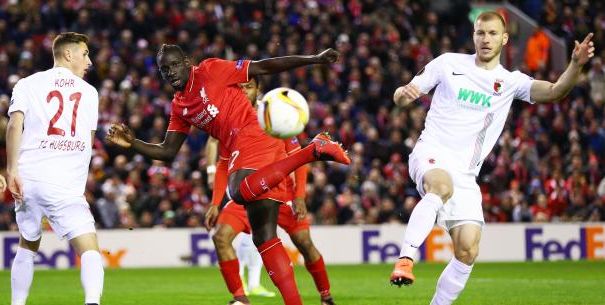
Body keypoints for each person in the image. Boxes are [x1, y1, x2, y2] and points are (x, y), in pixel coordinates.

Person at [106, 44, 350, 305]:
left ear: (187, 62)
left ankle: (312, 150)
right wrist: (133, 143)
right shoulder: (179, 106)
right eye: (164, 69)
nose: (170, 72)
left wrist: (313, 58)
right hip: (238, 150)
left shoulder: (211, 69)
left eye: (174, 65)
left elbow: (264, 66)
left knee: (238, 191)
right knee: (264, 237)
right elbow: (167, 151)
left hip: (255, 133)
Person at [389, 12, 594, 305]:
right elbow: (402, 94)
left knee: (467, 251)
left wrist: (575, 64)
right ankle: (406, 258)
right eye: (480, 33)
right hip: (431, 152)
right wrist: (403, 95)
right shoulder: (448, 63)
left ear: (504, 38)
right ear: (473, 36)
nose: (485, 39)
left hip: (466, 174)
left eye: (492, 34)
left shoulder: (509, 81)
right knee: (441, 186)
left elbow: (555, 91)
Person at [204, 77, 335, 305]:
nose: (244, 91)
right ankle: (240, 298)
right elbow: (225, 162)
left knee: (304, 242)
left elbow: (297, 158)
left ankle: (326, 296)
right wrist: (215, 202)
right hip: (244, 191)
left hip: (279, 192)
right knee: (221, 237)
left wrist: (300, 196)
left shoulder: (274, 115)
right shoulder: (229, 122)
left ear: (258, 90)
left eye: (249, 86)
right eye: (239, 87)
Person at [6, 32, 104, 305]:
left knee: (28, 244)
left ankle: (17, 304)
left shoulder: (27, 84)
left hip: (28, 178)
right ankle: (92, 302)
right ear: (68, 54)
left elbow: (15, 125)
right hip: (64, 183)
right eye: (85, 54)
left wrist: (11, 170)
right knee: (89, 249)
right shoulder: (89, 92)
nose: (90, 61)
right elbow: (89, 140)